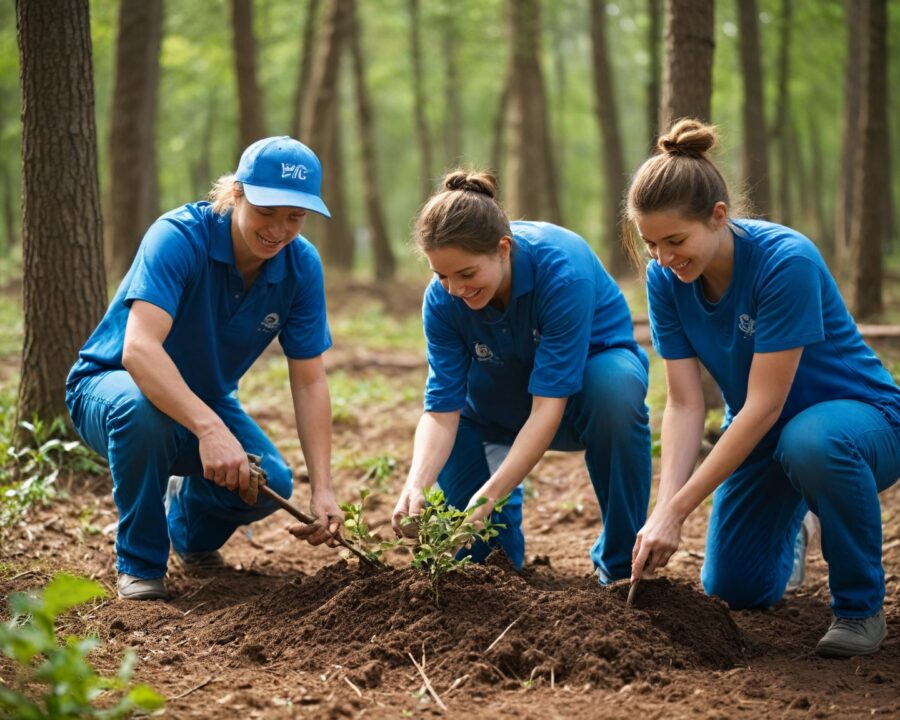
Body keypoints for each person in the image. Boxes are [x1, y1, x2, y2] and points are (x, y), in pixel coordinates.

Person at [626, 119, 900, 657]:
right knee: (734, 588)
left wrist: (680, 512)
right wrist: (663, 508)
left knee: (811, 442)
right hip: (762, 436)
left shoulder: (784, 262)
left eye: (676, 240)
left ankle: (860, 608)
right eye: (650, 243)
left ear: (719, 216)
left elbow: (766, 403)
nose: (663, 257)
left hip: (862, 424)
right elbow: (684, 403)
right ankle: (796, 521)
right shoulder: (665, 279)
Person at [66, 136, 343, 601]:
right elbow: (138, 350)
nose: (279, 230)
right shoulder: (178, 237)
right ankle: (141, 565)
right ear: (237, 193)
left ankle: (189, 531)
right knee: (143, 414)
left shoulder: (301, 267)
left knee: (268, 481)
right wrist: (210, 429)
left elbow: (311, 381)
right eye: (267, 212)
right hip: (113, 387)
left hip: (205, 400)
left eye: (294, 217)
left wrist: (323, 488)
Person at [391, 170, 651, 582]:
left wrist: (489, 496)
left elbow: (548, 405)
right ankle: (500, 537)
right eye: (441, 275)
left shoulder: (563, 272)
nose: (454, 288)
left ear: (503, 249)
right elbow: (441, 409)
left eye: (467, 274)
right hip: (496, 403)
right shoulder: (441, 299)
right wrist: (416, 484)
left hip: (581, 396)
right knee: (476, 566)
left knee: (614, 392)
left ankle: (621, 562)